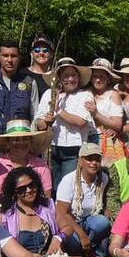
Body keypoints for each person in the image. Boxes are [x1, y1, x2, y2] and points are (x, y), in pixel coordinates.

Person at [0, 167, 86, 257]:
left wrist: (58, 238)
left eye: (31, 185)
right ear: (14, 192)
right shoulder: (5, 213)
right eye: (22, 189)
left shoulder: (48, 206)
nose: (29, 190)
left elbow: (68, 228)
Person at [34, 57, 94, 187]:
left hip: (73, 149)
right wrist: (46, 121)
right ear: (59, 78)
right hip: (51, 147)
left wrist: (58, 110)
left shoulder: (85, 95)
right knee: (51, 185)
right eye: (66, 76)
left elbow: (81, 122)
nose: (70, 79)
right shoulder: (49, 94)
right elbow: (39, 122)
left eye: (73, 75)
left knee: (67, 185)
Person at [55, 143, 111, 257]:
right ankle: (81, 250)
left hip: (89, 219)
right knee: (73, 244)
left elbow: (103, 201)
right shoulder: (68, 180)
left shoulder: (103, 178)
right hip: (70, 221)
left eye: (97, 159)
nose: (94, 163)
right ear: (80, 161)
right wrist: (82, 236)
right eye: (89, 159)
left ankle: (93, 251)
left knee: (103, 222)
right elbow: (62, 213)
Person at [0, 40, 40, 134]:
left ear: (19, 58)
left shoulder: (30, 83)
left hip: (20, 139)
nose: (9, 60)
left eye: (13, 56)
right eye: (5, 55)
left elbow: (35, 115)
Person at [0, 119, 53, 198]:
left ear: (31, 142)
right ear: (8, 143)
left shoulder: (41, 167)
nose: (21, 143)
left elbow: (47, 200)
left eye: (25, 139)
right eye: (16, 140)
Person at [87, 58, 125, 162]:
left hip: (103, 139)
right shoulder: (87, 92)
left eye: (101, 77)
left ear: (108, 79)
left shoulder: (113, 95)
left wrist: (96, 114)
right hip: (86, 139)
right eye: (95, 76)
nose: (97, 80)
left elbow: (118, 124)